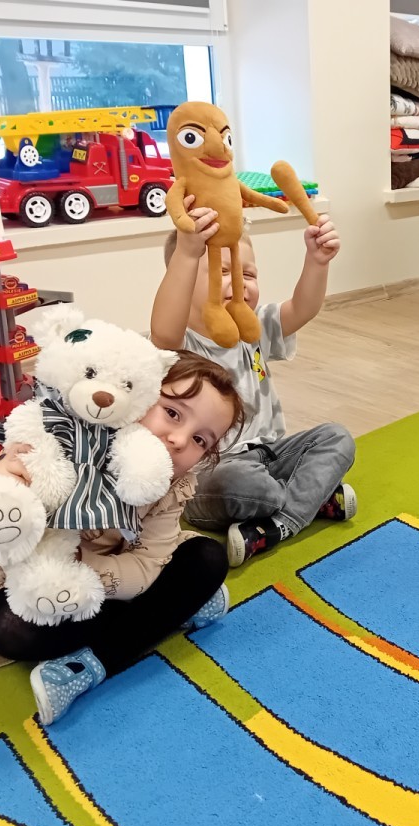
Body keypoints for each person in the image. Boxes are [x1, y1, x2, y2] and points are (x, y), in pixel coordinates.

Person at [0, 351, 246, 724]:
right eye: (172, 412)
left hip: (111, 579)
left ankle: (91, 664)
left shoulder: (170, 484)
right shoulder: (56, 446)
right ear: (135, 394)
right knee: (12, 630)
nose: (180, 440)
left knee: (208, 557)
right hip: (27, 585)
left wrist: (84, 569)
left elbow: (147, 563)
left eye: (200, 439)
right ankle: (176, 607)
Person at [151, 197, 356, 568]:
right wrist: (187, 252)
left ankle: (276, 524)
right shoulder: (180, 345)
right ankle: (309, 498)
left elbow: (302, 309)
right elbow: (163, 331)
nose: (240, 283)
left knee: (337, 439)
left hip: (272, 454)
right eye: (223, 271)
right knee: (242, 482)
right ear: (183, 280)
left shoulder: (253, 328)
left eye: (248, 275)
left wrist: (317, 261)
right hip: (212, 475)